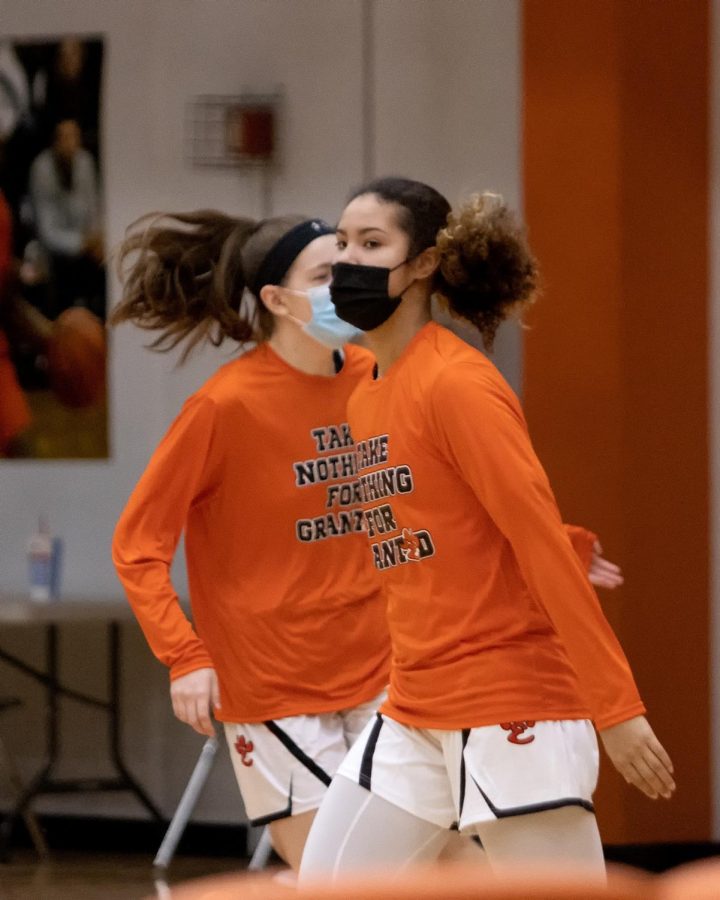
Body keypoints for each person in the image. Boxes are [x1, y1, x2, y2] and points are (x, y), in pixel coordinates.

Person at [110, 208, 617, 872]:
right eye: (327, 271)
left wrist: (556, 544)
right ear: (277, 300)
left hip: (386, 669)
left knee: (452, 871)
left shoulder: (376, 376)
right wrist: (184, 655)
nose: (346, 280)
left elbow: (441, 497)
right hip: (276, 685)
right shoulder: (223, 408)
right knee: (336, 877)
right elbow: (137, 545)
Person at [299, 178, 675, 882]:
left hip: (511, 699)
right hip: (415, 701)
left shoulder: (458, 384)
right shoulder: (365, 392)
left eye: (372, 244)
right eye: (342, 242)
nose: (347, 260)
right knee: (326, 884)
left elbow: (532, 539)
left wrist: (616, 708)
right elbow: (453, 523)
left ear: (424, 265)